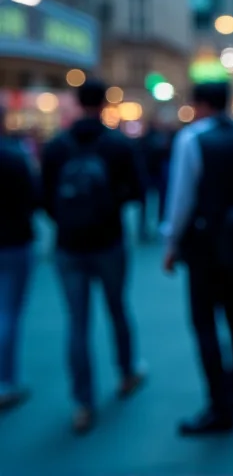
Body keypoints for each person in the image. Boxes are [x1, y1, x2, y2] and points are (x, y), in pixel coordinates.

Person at [41, 78, 147, 434]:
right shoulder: (117, 145)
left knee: (77, 323)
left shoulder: (56, 146)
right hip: (109, 242)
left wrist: (66, 219)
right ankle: (127, 373)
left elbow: (43, 197)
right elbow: (136, 190)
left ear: (76, 102)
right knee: (117, 309)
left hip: (68, 245)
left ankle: (83, 403)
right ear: (104, 104)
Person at [162, 81, 233, 436]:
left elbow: (181, 197)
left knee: (204, 320)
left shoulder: (191, 139)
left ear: (199, 103)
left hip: (203, 243)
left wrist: (170, 242)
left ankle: (220, 405)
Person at [0, 107, 39, 411]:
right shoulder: (15, 157)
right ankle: (6, 382)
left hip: (14, 240)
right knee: (9, 313)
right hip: (13, 241)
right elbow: (32, 197)